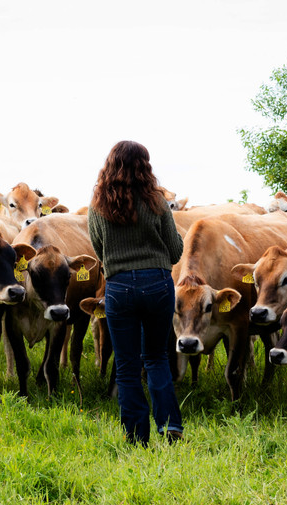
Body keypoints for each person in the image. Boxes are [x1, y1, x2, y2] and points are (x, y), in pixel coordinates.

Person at [88, 141, 185, 446]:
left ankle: (136, 436)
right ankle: (170, 425)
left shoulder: (98, 204)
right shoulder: (156, 201)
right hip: (158, 283)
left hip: (118, 288)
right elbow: (175, 250)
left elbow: (99, 250)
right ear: (145, 165)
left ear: (110, 164)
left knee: (127, 367)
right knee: (156, 358)